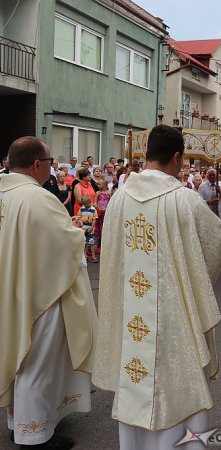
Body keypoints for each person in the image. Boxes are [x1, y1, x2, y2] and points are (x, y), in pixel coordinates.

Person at [92, 125, 221, 449]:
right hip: (174, 318)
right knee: (178, 386)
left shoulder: (118, 199)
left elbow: (111, 258)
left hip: (132, 319)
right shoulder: (185, 201)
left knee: (136, 380)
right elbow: (217, 246)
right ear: (177, 157)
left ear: (146, 155)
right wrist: (189, 281)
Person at [0, 136, 97, 450]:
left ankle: (18, 424)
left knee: (16, 357)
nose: (53, 166)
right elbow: (65, 243)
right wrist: (76, 231)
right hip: (37, 294)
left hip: (9, 291)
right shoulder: (38, 198)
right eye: (51, 160)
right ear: (38, 164)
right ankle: (34, 435)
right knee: (35, 362)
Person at [77, 194, 98, 263]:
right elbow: (79, 217)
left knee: (92, 242)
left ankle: (93, 255)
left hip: (90, 228)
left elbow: (95, 219)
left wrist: (91, 227)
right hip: (83, 228)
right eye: (84, 205)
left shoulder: (93, 210)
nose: (85, 206)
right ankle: (85, 255)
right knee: (84, 242)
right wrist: (81, 222)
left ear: (90, 202)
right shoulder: (81, 209)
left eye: (86, 205)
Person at [94, 177, 111, 250]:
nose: (97, 185)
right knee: (98, 227)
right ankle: (97, 244)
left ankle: (105, 244)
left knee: (105, 227)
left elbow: (111, 202)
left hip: (106, 212)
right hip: (99, 212)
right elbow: (95, 202)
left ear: (104, 185)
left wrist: (106, 209)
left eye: (99, 184)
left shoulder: (109, 192)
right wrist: (98, 208)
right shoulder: (98, 192)